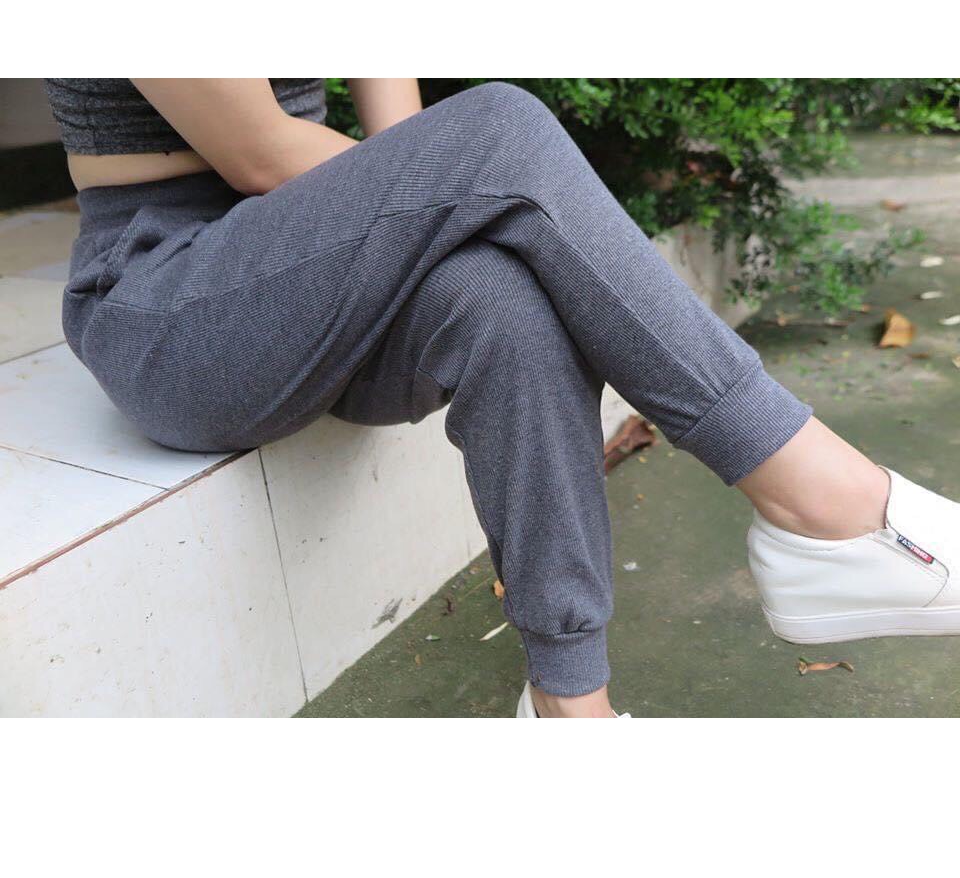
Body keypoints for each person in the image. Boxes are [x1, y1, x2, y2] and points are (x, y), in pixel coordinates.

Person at [44, 78, 960, 718]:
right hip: (168, 300)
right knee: (498, 136)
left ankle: (568, 703)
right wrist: (439, 189)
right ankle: (825, 500)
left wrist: (422, 209)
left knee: (502, 299)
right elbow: (263, 152)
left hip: (311, 266)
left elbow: (393, 137)